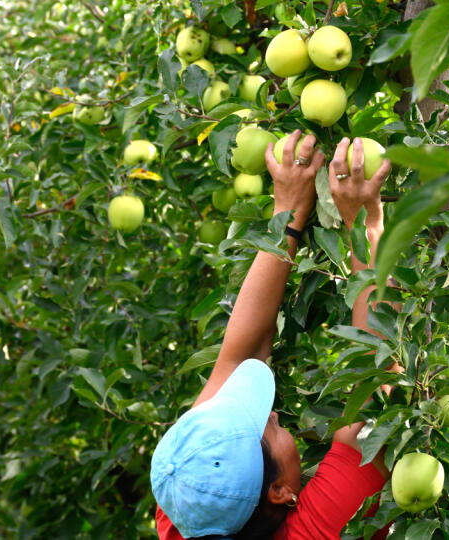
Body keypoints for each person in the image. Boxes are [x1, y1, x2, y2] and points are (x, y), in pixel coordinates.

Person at [150, 131, 396, 539]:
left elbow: (240, 355)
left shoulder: (187, 500)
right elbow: (379, 386)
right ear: (280, 491)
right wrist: (364, 223)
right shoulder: (317, 533)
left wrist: (289, 212)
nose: (274, 414)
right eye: (270, 429)